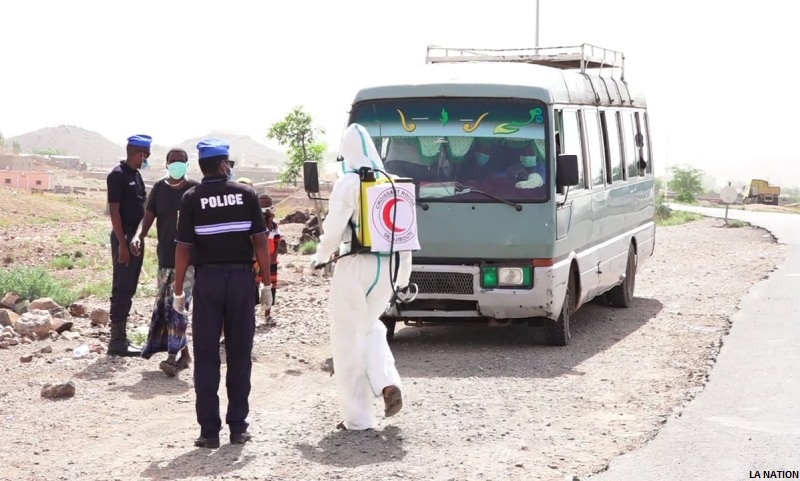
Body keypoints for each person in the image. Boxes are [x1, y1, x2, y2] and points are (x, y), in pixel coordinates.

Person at [311, 123, 412, 431]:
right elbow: (405, 234)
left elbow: (333, 231)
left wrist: (319, 257)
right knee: (369, 328)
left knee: (347, 340)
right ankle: (387, 382)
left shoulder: (349, 182)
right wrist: (403, 277)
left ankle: (357, 418)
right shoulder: (395, 182)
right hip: (389, 269)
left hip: (355, 266)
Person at [173, 139, 270, 448]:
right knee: (240, 354)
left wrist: (178, 290)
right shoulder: (247, 194)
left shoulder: (191, 198)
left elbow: (183, 247)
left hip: (208, 283)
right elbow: (259, 241)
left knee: (205, 355)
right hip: (242, 281)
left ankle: (209, 432)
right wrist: (267, 284)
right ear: (224, 165)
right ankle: (238, 427)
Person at [132, 148, 200, 376]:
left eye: (181, 161)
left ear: (187, 164)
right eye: (173, 162)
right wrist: (138, 236)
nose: (177, 165)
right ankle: (186, 355)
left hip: (190, 260)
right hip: (165, 258)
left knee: (180, 307)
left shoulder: (195, 189)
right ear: (167, 164)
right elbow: (148, 217)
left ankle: (172, 358)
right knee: (166, 306)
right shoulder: (159, 189)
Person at [105, 134, 150, 357]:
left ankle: (121, 337)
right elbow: (114, 211)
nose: (147, 159)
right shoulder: (117, 175)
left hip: (135, 238)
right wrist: (123, 242)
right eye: (146, 154)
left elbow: (142, 209)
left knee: (130, 286)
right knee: (122, 286)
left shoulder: (137, 176)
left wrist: (137, 237)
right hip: (123, 237)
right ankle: (116, 341)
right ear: (137, 153)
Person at [258, 194, 281, 325]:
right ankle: (252, 315)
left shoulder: (274, 225)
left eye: (267, 205)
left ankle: (267, 315)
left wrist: (274, 255)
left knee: (271, 287)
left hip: (271, 260)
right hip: (257, 261)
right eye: (262, 205)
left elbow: (277, 240)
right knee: (254, 287)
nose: (265, 208)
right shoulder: (257, 223)